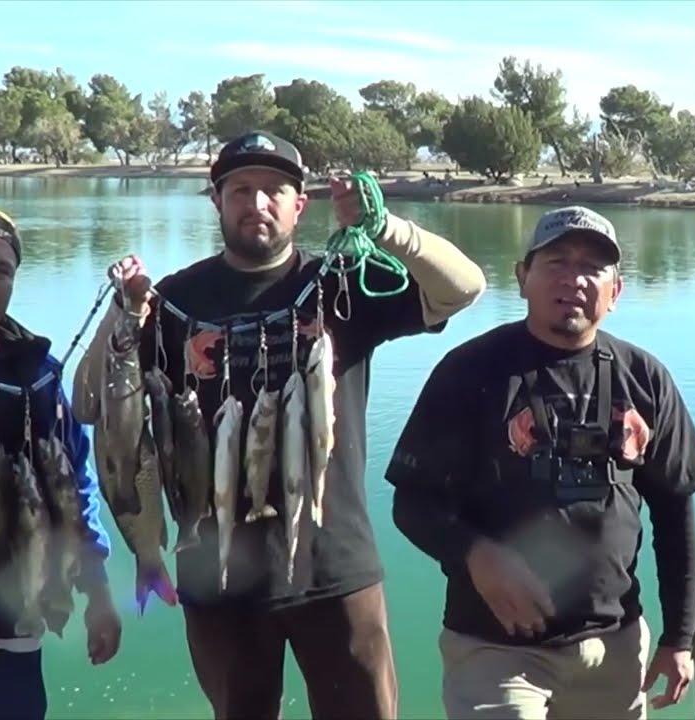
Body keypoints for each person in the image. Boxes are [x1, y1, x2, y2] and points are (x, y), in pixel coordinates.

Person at [69, 131, 487, 720]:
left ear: (300, 205)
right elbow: (90, 405)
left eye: (273, 190)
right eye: (240, 189)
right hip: (216, 573)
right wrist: (125, 311)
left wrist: (388, 229)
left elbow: (464, 289)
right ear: (216, 200)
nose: (256, 203)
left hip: (334, 566)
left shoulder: (339, 285)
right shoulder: (171, 301)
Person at [386, 205, 695, 720]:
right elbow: (412, 502)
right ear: (522, 277)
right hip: (496, 648)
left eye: (592, 267)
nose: (574, 279)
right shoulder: (469, 371)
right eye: (556, 262)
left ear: (616, 291)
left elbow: (675, 516)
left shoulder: (644, 378)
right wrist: (476, 554)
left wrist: (679, 638)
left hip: (614, 647)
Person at [0, 206, 121, 720]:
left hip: (11, 645)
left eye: (0, 270)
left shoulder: (38, 375)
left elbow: (75, 484)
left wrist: (98, 592)